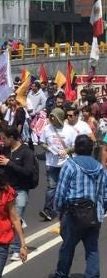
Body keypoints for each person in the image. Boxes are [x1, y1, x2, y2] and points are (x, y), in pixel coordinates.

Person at [52, 135, 106, 278]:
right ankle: (93, 275)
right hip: (94, 214)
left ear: (75, 148)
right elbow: (104, 194)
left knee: (67, 248)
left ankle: (61, 274)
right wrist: (101, 211)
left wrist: (59, 210)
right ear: (91, 149)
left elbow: (61, 192)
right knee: (92, 248)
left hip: (73, 214)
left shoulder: (70, 165)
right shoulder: (100, 168)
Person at [0, 126, 36, 261]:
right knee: (8, 219)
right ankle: (15, 241)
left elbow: (28, 172)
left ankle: (15, 249)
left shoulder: (26, 152)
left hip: (20, 190)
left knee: (16, 219)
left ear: (12, 138)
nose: (3, 141)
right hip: (6, 190)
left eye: (4, 139)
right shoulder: (6, 150)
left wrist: (9, 163)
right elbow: (2, 168)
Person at [39, 108, 77, 221]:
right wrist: (48, 148)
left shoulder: (70, 130)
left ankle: (69, 209)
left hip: (67, 164)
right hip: (52, 163)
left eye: (53, 117)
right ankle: (48, 210)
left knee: (68, 187)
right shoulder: (47, 129)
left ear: (59, 118)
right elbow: (42, 143)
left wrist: (67, 151)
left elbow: (75, 146)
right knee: (51, 187)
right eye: (50, 116)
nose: (51, 119)